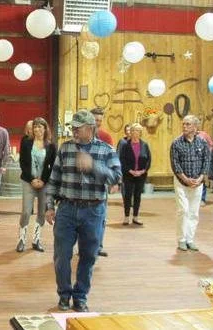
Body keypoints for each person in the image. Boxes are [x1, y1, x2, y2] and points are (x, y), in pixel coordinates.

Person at [45, 109, 121, 313]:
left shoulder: (107, 150)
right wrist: (49, 207)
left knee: (88, 255)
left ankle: (80, 296)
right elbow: (54, 179)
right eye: (73, 127)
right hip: (67, 209)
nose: (74, 131)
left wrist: (94, 166)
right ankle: (64, 294)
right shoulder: (65, 148)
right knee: (62, 255)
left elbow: (116, 177)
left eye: (78, 128)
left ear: (91, 128)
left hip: (93, 211)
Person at [170, 115, 210, 252]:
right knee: (183, 210)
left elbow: (206, 161)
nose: (185, 126)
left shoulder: (202, 142)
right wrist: (186, 179)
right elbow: (175, 165)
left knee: (194, 212)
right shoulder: (176, 143)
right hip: (181, 182)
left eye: (188, 124)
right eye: (183, 124)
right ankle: (181, 239)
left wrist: (200, 178)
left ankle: (190, 239)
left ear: (195, 127)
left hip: (198, 182)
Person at [17, 117, 56, 252]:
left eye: (40, 126)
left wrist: (43, 180)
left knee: (41, 212)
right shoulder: (26, 142)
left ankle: (36, 240)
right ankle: (21, 239)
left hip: (43, 183)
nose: (37, 129)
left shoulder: (51, 145)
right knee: (26, 211)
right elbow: (22, 162)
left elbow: (52, 167)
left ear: (45, 129)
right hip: (28, 181)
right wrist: (32, 179)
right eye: (35, 126)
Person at [91, 107, 115, 257]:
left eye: (100, 120)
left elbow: (111, 159)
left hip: (101, 181)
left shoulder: (106, 137)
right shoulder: (81, 135)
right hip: (84, 181)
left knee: (101, 215)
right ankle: (84, 247)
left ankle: (98, 246)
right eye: (95, 120)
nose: (98, 123)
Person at [118, 123, 151, 226]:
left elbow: (148, 160)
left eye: (136, 131)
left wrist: (143, 171)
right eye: (132, 131)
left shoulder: (144, 145)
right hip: (129, 174)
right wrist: (130, 170)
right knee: (127, 195)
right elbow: (122, 160)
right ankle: (126, 217)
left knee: (137, 196)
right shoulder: (125, 145)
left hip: (141, 175)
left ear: (140, 133)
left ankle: (136, 217)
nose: (134, 133)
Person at [196, 120, 213, 207]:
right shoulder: (185, 135)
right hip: (190, 162)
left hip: (202, 161)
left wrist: (208, 154)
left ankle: (202, 199)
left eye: (197, 124)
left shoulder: (204, 135)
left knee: (202, 180)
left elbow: (211, 145)